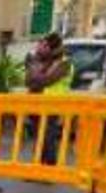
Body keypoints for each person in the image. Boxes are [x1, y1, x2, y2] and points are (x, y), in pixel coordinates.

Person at [27, 33, 74, 165]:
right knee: (39, 136)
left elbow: (47, 80)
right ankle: (39, 165)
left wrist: (37, 77)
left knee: (48, 136)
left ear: (52, 47)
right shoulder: (41, 60)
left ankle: (49, 167)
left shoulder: (63, 62)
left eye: (44, 45)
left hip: (53, 104)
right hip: (38, 102)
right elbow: (29, 80)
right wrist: (37, 75)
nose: (40, 47)